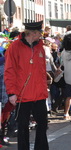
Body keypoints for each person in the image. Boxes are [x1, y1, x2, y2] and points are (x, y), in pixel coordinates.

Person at [4, 20, 49, 150]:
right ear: (33, 33)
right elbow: (9, 71)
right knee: (23, 127)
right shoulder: (15, 47)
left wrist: (45, 85)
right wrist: (11, 92)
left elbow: (41, 70)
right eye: (40, 32)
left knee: (42, 124)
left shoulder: (40, 46)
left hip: (39, 94)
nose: (41, 34)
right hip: (22, 95)